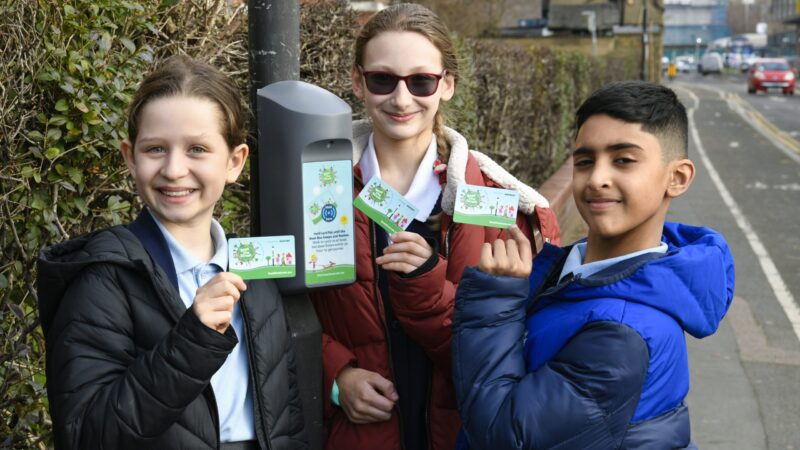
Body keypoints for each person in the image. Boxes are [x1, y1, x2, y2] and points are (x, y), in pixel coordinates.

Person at [308, 4, 561, 450]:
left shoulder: (496, 204)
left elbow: (509, 349)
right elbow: (281, 311)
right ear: (357, 81)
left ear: (447, 84)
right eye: (382, 79)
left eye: (420, 81)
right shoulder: (318, 186)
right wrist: (335, 375)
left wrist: (427, 284)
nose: (401, 100)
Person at [37, 56, 307, 450]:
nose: (174, 169)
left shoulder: (253, 270)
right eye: (156, 149)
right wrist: (191, 341)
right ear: (130, 157)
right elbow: (85, 434)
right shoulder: (103, 276)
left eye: (197, 149)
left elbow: (286, 418)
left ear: (235, 162)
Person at [451, 81, 735, 449]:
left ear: (676, 178)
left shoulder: (623, 334)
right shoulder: (573, 272)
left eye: (623, 160)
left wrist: (493, 301)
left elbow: (502, 434)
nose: (597, 178)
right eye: (585, 161)